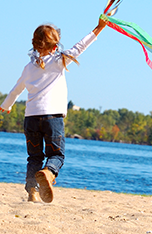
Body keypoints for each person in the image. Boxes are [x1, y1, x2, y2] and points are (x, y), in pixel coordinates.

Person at [0, 17, 107, 203]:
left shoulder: (28, 68)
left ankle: (32, 192)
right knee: (56, 155)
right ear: (54, 46)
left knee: (34, 157)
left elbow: (16, 89)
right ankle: (48, 173)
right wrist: (98, 28)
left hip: (31, 118)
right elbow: (80, 46)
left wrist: (6, 106)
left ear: (34, 45)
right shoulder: (59, 61)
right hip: (53, 118)